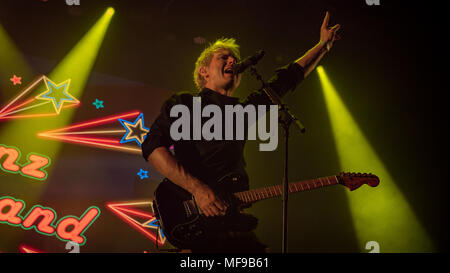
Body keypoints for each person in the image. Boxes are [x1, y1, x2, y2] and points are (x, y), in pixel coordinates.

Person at [142, 11, 340, 252]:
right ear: (204, 72)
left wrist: (322, 46)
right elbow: (152, 147)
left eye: (234, 59)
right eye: (223, 58)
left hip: (231, 218)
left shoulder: (242, 113)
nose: (232, 61)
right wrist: (198, 190)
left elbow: (287, 79)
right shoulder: (184, 105)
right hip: (192, 215)